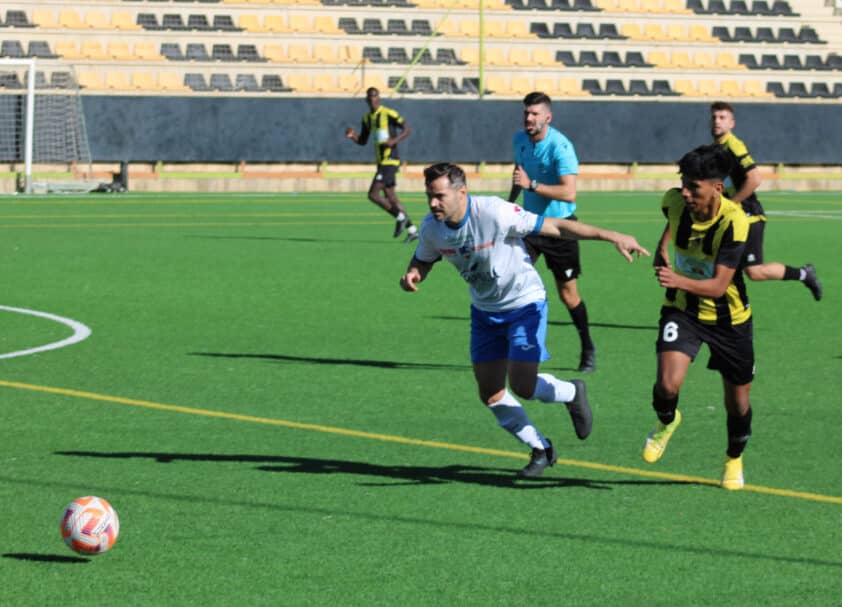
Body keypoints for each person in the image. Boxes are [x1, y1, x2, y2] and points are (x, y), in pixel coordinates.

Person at [401, 163, 649, 478]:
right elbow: (423, 259)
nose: (433, 203)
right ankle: (541, 448)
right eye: (429, 196)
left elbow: (557, 227)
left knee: (523, 385)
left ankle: (572, 392)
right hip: (484, 313)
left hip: (524, 304)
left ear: (462, 192)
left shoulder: (494, 212)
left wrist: (611, 235)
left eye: (439, 196)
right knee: (490, 392)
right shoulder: (431, 228)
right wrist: (413, 274)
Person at [644, 144, 757, 490]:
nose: (685, 192)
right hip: (683, 310)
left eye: (694, 186)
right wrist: (663, 247)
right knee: (666, 384)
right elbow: (672, 217)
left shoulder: (736, 222)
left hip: (730, 319)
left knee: (737, 404)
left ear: (717, 188)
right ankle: (667, 421)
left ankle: (733, 459)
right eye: (683, 183)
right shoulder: (673, 200)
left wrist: (678, 278)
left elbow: (720, 286)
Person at [654, 101, 822, 300]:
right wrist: (663, 245)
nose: (717, 121)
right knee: (715, 265)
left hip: (748, 215)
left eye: (722, 118)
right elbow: (680, 212)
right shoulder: (714, 150)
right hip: (726, 217)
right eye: (714, 117)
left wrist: (732, 203)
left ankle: (804, 274)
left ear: (732, 123)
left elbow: (755, 178)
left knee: (754, 272)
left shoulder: (733, 146)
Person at [508, 92, 596, 373]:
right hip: (530, 225)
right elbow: (517, 175)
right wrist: (509, 205)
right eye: (526, 113)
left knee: (568, 295)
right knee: (511, 280)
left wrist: (531, 185)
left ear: (548, 117)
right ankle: (515, 345)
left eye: (535, 114)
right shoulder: (520, 140)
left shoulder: (560, 146)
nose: (529, 118)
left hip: (560, 229)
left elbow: (569, 193)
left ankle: (587, 347)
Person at [345, 87, 418, 242]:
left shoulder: (388, 113)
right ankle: (412, 230)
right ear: (366, 99)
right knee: (391, 197)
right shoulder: (367, 118)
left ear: (379, 97)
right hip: (381, 162)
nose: (373, 98)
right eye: (370, 96)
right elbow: (363, 141)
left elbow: (407, 129)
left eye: (375, 96)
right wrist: (353, 137)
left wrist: (393, 141)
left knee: (373, 194)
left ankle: (400, 217)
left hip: (390, 159)